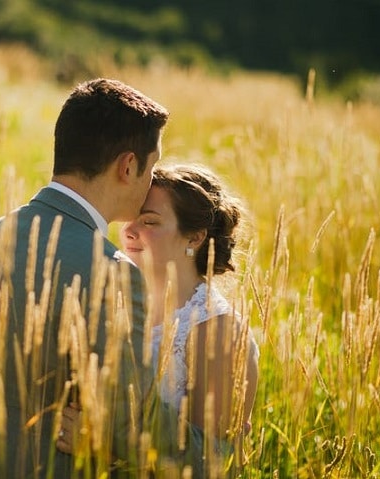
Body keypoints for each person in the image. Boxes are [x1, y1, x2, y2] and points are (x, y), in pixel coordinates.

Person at [0, 79, 205, 478]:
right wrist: (211, 452)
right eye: (152, 165)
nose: (151, 181)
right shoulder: (111, 274)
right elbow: (127, 422)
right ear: (127, 166)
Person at [57, 164, 259, 469]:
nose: (128, 231)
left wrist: (101, 449)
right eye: (130, 219)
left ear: (195, 239)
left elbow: (211, 464)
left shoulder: (219, 331)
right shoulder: (111, 306)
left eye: (149, 221)